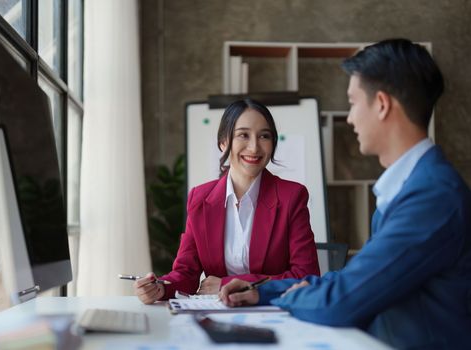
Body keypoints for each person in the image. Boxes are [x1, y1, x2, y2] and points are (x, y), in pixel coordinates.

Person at [219, 39, 471, 349]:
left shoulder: (431, 197)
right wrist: (263, 292)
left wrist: (290, 295)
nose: (350, 118)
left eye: (353, 102)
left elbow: (341, 300)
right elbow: (350, 281)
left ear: (381, 104)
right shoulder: (410, 188)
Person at [134, 99, 320, 304]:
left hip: (274, 310)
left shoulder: (291, 196)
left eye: (264, 136)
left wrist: (228, 283)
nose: (254, 146)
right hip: (217, 311)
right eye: (243, 135)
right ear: (223, 143)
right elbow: (185, 273)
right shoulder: (200, 198)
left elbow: (306, 276)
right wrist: (159, 288)